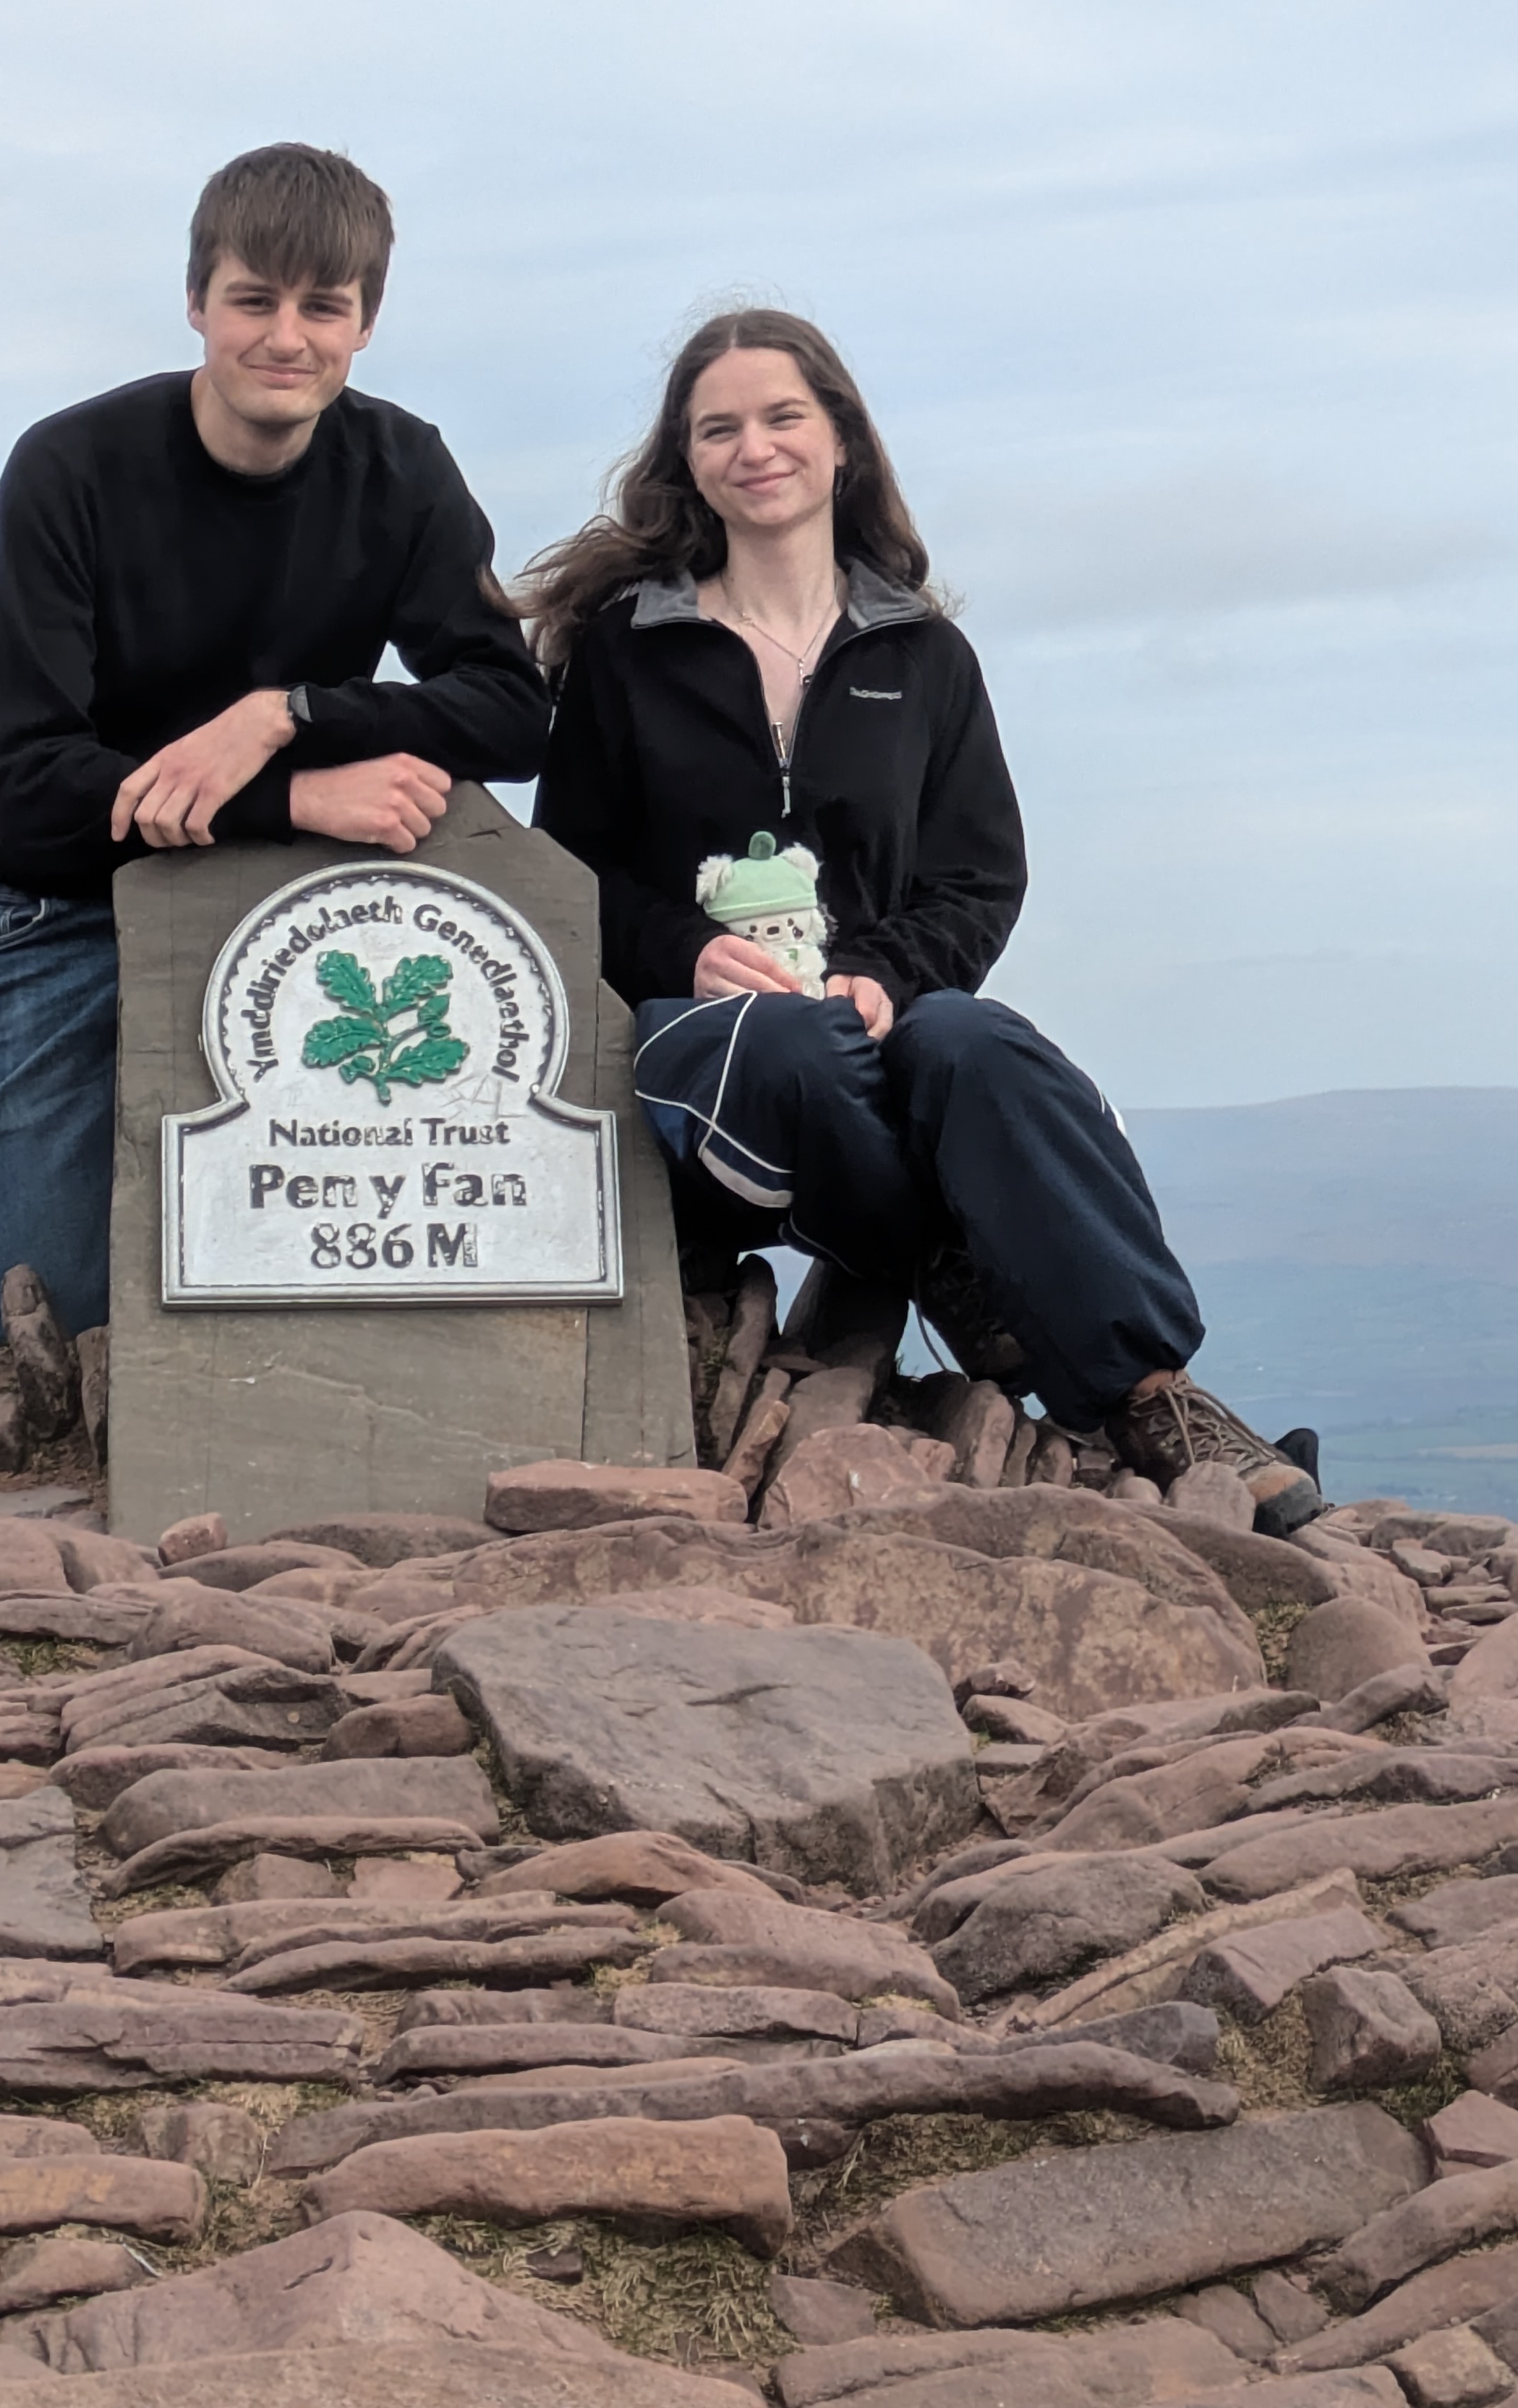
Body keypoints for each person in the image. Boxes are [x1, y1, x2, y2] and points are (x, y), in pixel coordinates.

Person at [0, 145, 549, 1505]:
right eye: (255, 301)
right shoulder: (71, 468)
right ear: (196, 299)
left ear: (368, 320)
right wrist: (295, 793)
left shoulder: (402, 470)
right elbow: (27, 775)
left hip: (250, 907)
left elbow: (512, 711)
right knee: (60, 1348)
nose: (287, 338)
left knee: (260, 1278)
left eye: (324, 308)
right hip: (37, 902)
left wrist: (288, 712)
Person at [524, 305, 1321, 1530]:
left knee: (979, 1043)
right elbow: (568, 874)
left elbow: (980, 878)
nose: (756, 447)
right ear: (688, 462)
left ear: (841, 437)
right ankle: (974, 1264)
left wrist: (890, 972)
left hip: (884, 1034)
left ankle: (1160, 1397)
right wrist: (687, 950)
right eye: (719, 428)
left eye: (784, 417)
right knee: (789, 1044)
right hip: (704, 1053)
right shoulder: (626, 653)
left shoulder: (926, 653)